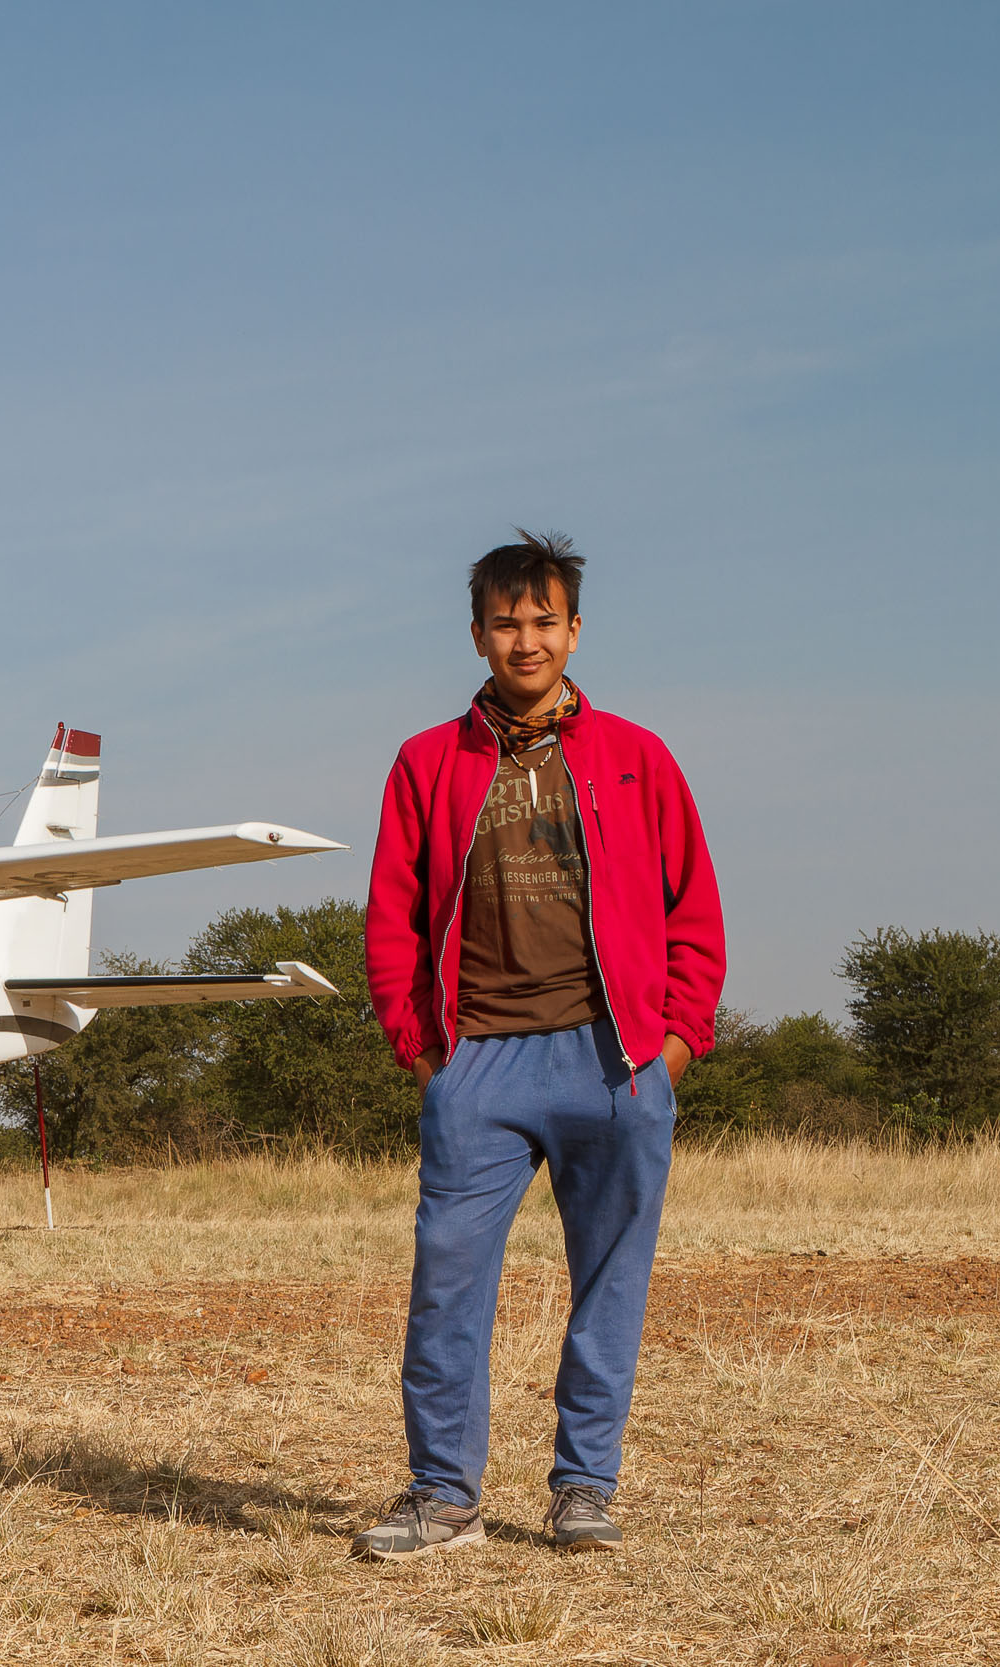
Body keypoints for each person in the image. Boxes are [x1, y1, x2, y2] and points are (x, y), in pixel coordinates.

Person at [352, 531, 724, 1560]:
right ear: (476, 633)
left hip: (614, 1059)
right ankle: (442, 1496)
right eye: (505, 621)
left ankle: (582, 1490)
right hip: (479, 1062)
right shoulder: (427, 760)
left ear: (573, 630)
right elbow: (390, 914)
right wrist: (423, 1050)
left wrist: (674, 1043)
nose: (525, 638)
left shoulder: (637, 757)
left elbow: (693, 903)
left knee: (609, 1280)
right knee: (446, 1280)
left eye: (544, 619)